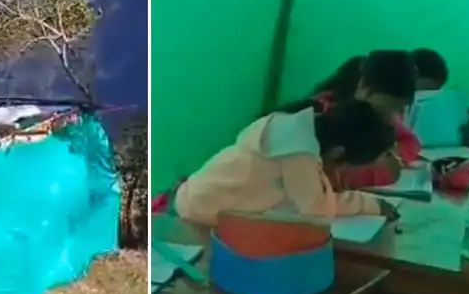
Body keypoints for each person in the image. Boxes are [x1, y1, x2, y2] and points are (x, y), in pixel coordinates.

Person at [174, 100, 399, 227]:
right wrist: (370, 204)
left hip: (197, 198)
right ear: (338, 152)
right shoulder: (298, 152)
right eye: (345, 165)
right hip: (202, 217)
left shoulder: (291, 126)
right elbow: (316, 208)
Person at [285, 50, 419, 188]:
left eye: (400, 109)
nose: (395, 117)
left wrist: (395, 155)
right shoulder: (319, 115)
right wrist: (378, 171)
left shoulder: (382, 115)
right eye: (390, 107)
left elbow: (409, 141)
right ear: (364, 89)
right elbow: (316, 178)